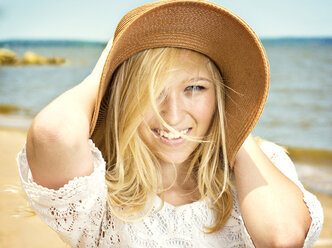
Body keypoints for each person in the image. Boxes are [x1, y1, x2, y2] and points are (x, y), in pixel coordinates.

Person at [17, 0, 323, 247]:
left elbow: (282, 238)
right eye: (150, 93)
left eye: (195, 88)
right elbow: (53, 133)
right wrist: (110, 63)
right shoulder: (99, 195)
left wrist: (233, 123)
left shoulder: (259, 164)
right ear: (124, 98)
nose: (172, 114)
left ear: (219, 95)